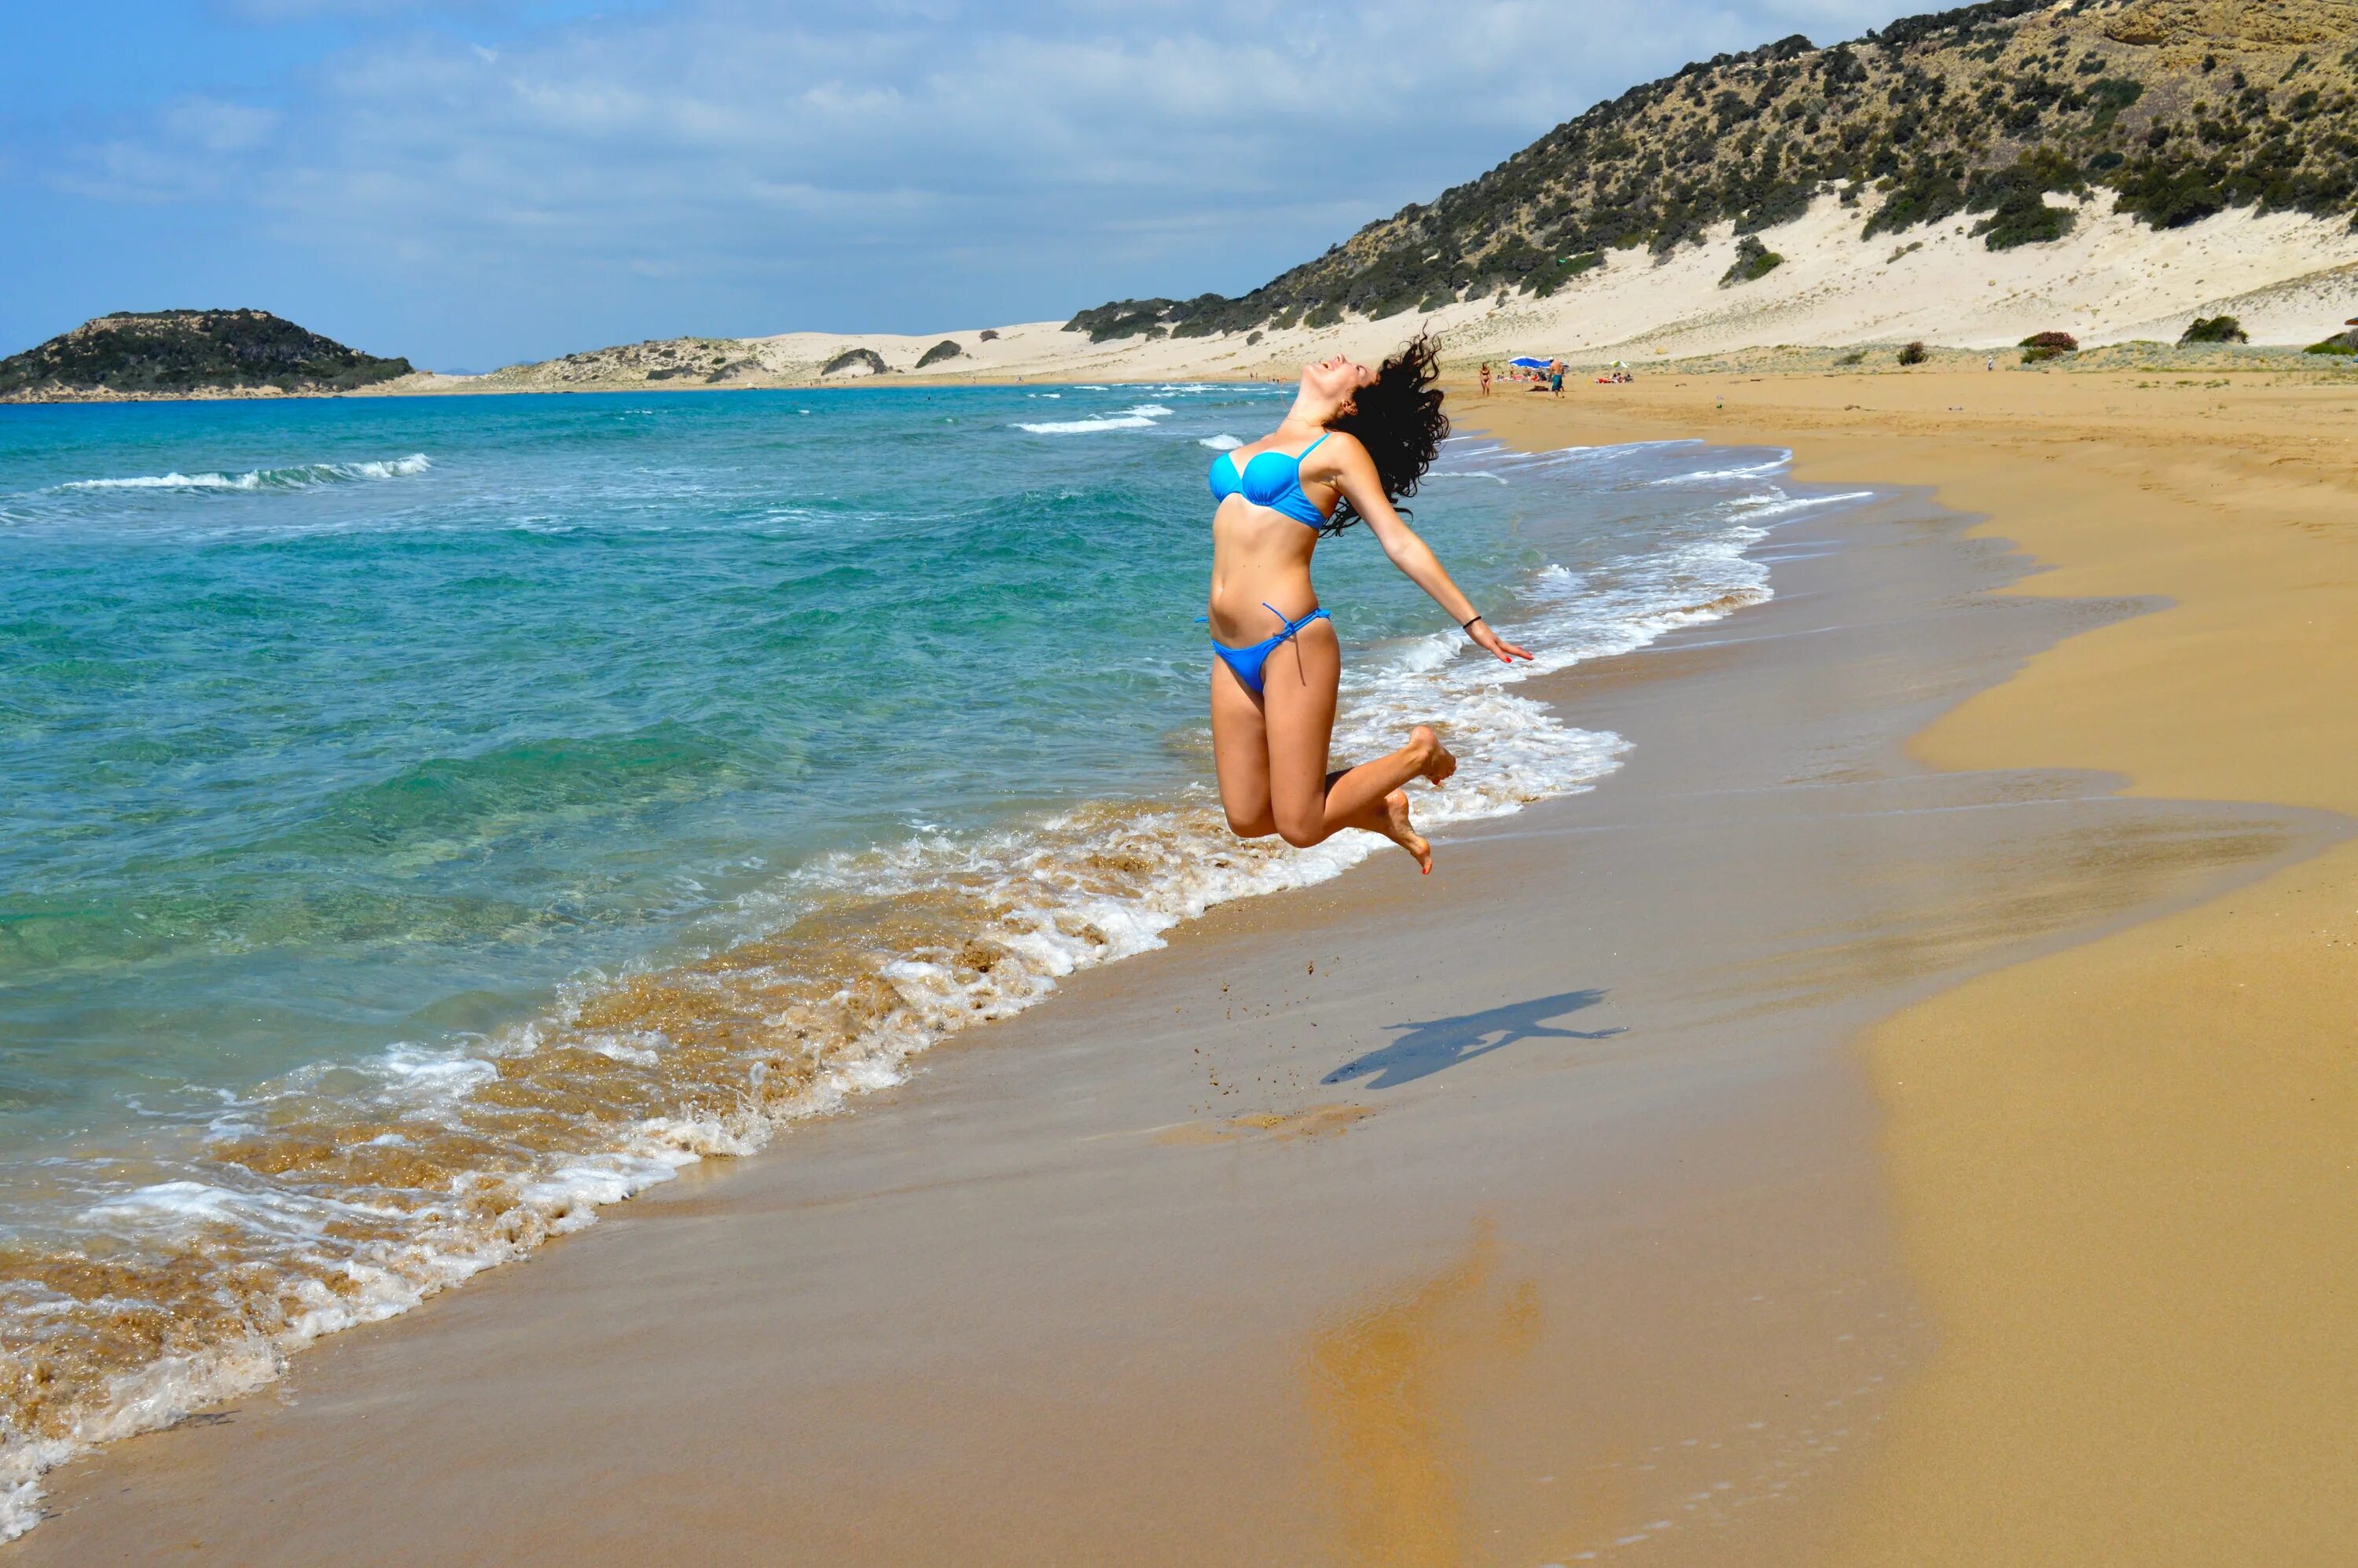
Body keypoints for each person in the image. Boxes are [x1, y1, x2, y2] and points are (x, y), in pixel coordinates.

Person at [1205, 333, 1532, 874]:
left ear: (1351, 403)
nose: (1339, 358)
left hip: (1291, 641)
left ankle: (1418, 753)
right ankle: (1378, 809)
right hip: (1228, 648)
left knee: (1301, 825)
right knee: (1246, 816)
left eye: (1353, 368)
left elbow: (1398, 541)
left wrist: (1472, 622)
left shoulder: (1337, 450)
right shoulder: (1260, 443)